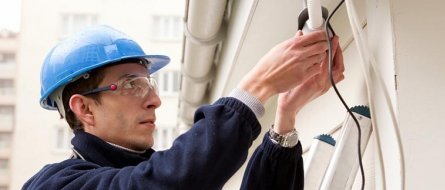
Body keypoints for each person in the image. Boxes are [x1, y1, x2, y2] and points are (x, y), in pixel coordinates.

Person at [23, 25, 344, 189]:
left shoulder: (144, 171)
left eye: (149, 84)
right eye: (131, 85)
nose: (155, 100)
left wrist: (285, 116)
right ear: (84, 109)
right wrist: (258, 87)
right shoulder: (57, 184)